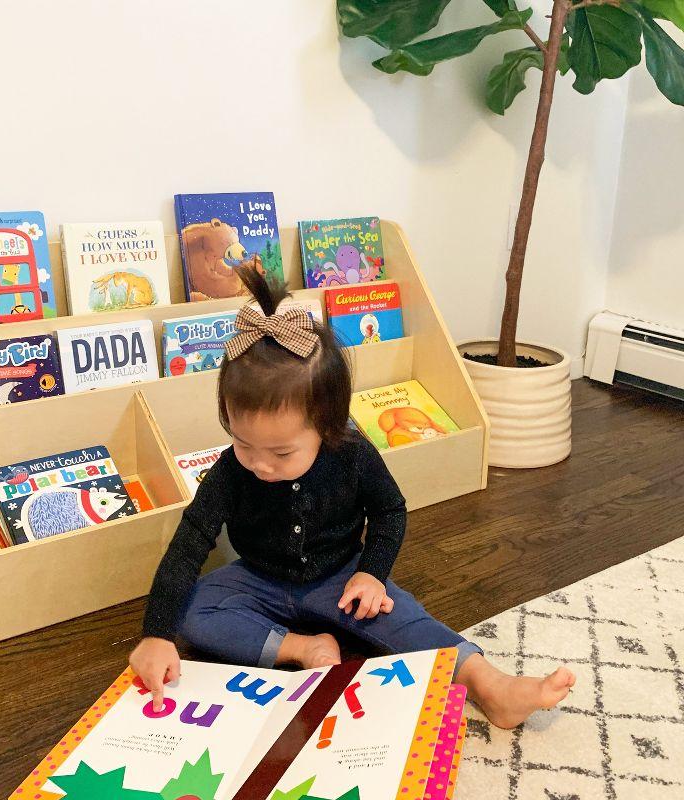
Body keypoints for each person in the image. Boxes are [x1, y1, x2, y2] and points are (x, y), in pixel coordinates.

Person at [130, 268, 575, 729]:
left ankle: (491, 684)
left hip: (339, 579)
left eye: (282, 452)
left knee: (403, 618)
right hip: (257, 580)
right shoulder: (230, 471)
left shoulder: (353, 454)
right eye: (243, 444)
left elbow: (389, 511)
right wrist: (156, 634)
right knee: (195, 611)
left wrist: (371, 575)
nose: (260, 465)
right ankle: (302, 647)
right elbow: (187, 545)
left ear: (327, 426)